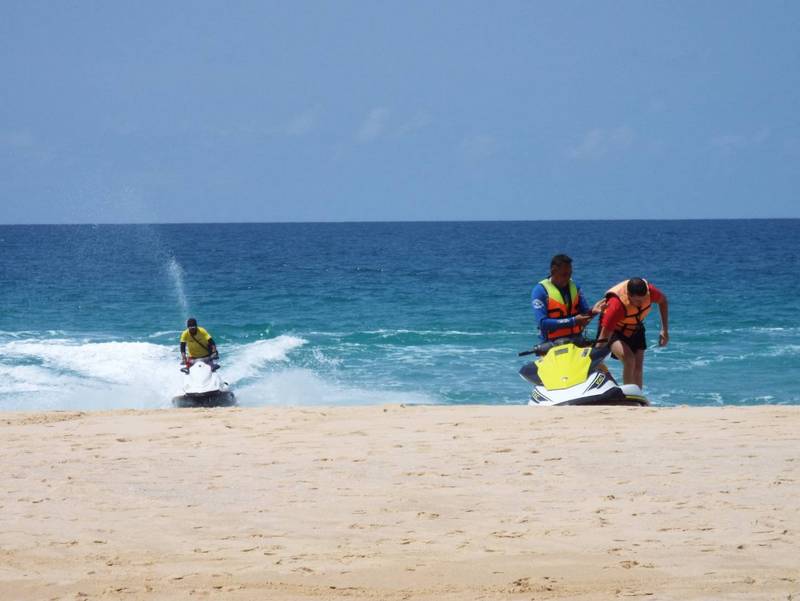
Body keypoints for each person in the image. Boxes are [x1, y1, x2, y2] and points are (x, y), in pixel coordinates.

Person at [595, 278, 669, 388]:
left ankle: (638, 398)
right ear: (629, 295)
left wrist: (664, 330)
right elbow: (604, 335)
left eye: (643, 300)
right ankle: (628, 395)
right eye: (638, 301)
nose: (641, 304)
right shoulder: (616, 306)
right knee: (629, 360)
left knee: (638, 367)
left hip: (635, 326)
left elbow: (663, 301)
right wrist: (595, 357)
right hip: (614, 329)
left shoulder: (651, 292)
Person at [531, 254, 598, 345]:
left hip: (576, 341)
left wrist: (594, 311)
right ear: (553, 271)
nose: (568, 278)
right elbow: (542, 323)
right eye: (564, 274)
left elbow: (584, 316)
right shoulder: (540, 291)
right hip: (551, 344)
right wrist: (573, 321)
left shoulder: (575, 287)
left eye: (570, 274)